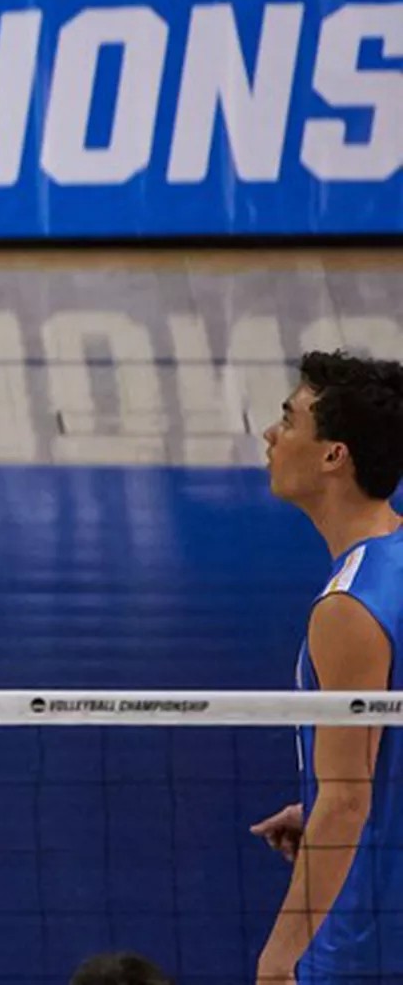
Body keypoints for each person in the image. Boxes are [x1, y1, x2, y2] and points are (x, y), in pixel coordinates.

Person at [250, 350, 403, 985]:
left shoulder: (348, 606)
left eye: (288, 420)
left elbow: (347, 800)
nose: (271, 435)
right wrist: (318, 806)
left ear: (333, 455)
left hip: (363, 940)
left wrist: (281, 956)